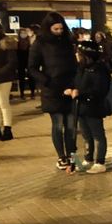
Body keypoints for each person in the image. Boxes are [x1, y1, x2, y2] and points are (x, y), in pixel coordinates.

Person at [29, 12, 79, 169]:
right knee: (58, 124)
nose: (59, 31)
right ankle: (61, 156)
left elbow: (74, 65)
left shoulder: (68, 42)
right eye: (55, 29)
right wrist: (47, 81)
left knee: (71, 125)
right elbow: (32, 67)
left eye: (61, 28)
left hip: (70, 88)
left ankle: (71, 154)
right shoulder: (40, 43)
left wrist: (76, 84)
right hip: (52, 90)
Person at [68, 41, 111, 174]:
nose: (77, 55)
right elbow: (77, 83)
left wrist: (82, 93)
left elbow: (100, 90)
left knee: (97, 135)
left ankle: (100, 161)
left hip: (94, 107)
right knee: (86, 135)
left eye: (79, 53)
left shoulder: (100, 69)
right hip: (81, 107)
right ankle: (88, 158)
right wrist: (72, 90)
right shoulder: (81, 67)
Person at [17, 26, 37, 99]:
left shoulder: (30, 41)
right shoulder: (17, 42)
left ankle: (32, 93)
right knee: (21, 78)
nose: (23, 34)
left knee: (31, 77)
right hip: (20, 62)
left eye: (24, 32)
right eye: (21, 33)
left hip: (29, 61)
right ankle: (22, 94)